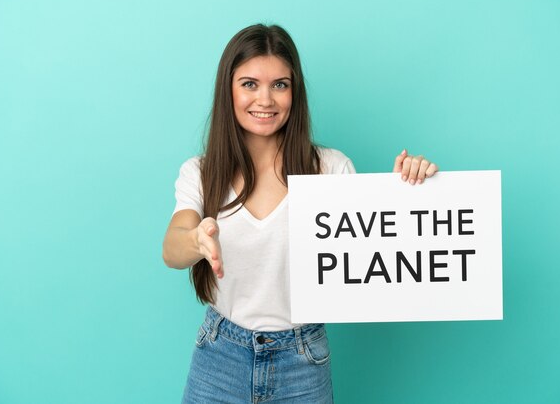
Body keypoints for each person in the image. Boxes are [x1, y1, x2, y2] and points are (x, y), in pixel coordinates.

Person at [162, 24, 438, 403]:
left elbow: (372, 250)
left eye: (280, 84)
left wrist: (406, 195)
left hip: (302, 361)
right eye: (249, 84)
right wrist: (196, 238)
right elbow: (172, 247)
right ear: (228, 89)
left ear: (295, 91)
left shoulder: (331, 168)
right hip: (220, 357)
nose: (266, 99)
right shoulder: (201, 172)